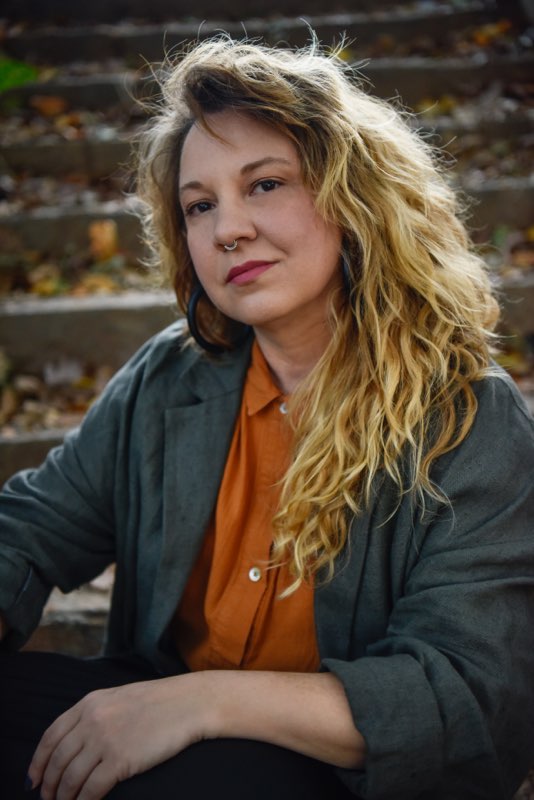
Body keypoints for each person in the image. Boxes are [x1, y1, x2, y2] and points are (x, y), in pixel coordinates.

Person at [0, 36, 533, 800]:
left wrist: (203, 702)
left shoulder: (466, 418)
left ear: (354, 196)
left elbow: (465, 701)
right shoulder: (168, 377)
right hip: (157, 709)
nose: (229, 230)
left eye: (266, 184)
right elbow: (30, 527)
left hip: (329, 774)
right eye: (200, 205)